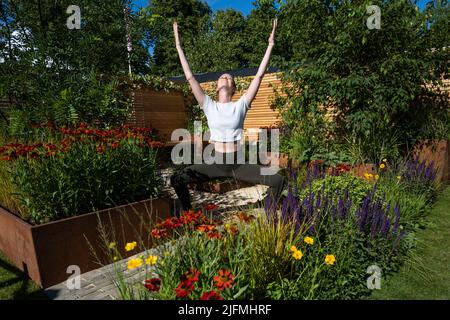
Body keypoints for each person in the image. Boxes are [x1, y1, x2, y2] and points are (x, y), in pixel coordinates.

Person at [170, 18, 285, 212]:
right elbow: (190, 77)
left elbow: (258, 75)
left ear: (232, 87)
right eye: (222, 77)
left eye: (229, 77)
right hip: (215, 162)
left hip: (238, 163)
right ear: (216, 86)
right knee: (176, 178)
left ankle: (266, 208)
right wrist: (179, 47)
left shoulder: (241, 104)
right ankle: (188, 212)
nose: (225, 77)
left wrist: (270, 45)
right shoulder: (208, 104)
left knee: (278, 180)